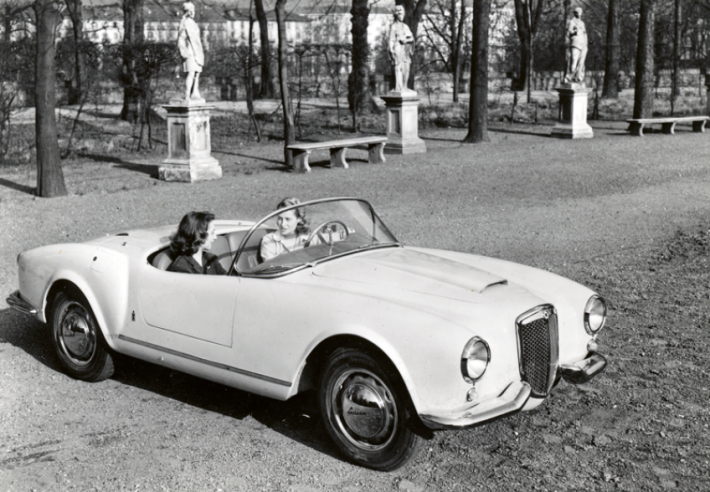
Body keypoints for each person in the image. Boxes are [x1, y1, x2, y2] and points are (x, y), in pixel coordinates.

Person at [177, 2, 205, 101]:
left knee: (197, 73)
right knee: (191, 72)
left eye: (193, 10)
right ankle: (187, 95)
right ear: (187, 12)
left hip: (197, 51)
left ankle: (195, 93)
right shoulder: (185, 23)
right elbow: (181, 38)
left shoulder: (193, 23)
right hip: (190, 51)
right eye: (191, 10)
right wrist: (183, 50)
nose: (193, 12)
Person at [388, 5, 414, 92]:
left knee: (407, 67)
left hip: (405, 49)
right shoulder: (394, 26)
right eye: (399, 14)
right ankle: (398, 87)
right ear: (396, 15)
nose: (401, 15)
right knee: (398, 67)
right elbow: (391, 39)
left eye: (402, 13)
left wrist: (405, 40)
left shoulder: (405, 27)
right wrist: (391, 49)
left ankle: (405, 86)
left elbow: (412, 38)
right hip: (398, 47)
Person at [564, 8, 588, 84]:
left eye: (580, 12)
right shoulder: (572, 22)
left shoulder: (582, 23)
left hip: (584, 44)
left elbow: (585, 33)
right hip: (575, 43)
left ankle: (578, 77)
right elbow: (569, 33)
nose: (579, 13)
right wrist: (574, 31)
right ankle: (569, 77)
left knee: (581, 63)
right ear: (574, 13)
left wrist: (587, 43)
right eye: (577, 12)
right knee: (574, 60)